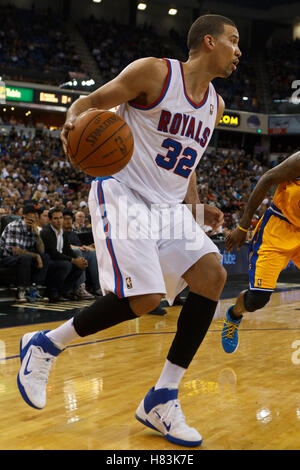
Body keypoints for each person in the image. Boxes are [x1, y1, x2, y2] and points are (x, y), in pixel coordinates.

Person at [17, 14, 241, 447]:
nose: (239, 51)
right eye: (234, 41)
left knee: (212, 276)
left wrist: (193, 211)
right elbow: (92, 102)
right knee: (143, 300)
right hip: (123, 190)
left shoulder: (216, 105)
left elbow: (187, 167)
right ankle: (46, 343)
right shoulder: (154, 72)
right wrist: (72, 121)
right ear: (209, 42)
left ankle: (162, 397)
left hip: (168, 206)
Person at [221, 151, 300, 353]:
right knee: (257, 299)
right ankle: (234, 314)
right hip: (278, 228)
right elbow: (266, 179)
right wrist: (242, 227)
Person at [0, 204, 49, 302]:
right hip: (6, 257)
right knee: (26, 258)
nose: (34, 216)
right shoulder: (14, 226)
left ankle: (36, 289)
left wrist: (37, 234)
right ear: (24, 215)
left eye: (35, 214)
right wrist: (36, 256)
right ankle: (21, 291)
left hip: (23, 258)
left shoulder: (34, 229)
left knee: (45, 257)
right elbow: (15, 251)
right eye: (31, 214)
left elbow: (41, 251)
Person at [40, 207, 88, 302]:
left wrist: (79, 260)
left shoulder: (63, 233)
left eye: (61, 218)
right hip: (47, 261)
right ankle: (53, 292)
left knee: (80, 265)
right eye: (56, 218)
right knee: (66, 265)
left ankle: (65, 291)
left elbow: (68, 250)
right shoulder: (46, 232)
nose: (59, 221)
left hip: (59, 259)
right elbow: (53, 253)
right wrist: (73, 260)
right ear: (50, 220)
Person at [62, 209, 99, 299]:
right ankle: (80, 288)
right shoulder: (61, 232)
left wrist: (90, 247)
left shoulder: (73, 233)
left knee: (92, 253)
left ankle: (98, 287)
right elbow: (66, 246)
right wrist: (80, 248)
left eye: (70, 219)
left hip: (77, 251)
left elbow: (80, 246)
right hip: (67, 253)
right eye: (65, 219)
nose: (68, 221)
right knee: (78, 252)